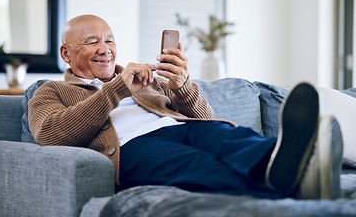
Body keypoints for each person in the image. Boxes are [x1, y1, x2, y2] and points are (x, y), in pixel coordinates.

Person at [28, 14, 343, 199]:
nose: (105, 49)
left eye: (109, 40)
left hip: (181, 127)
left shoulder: (147, 79)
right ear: (66, 54)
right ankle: (295, 191)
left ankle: (288, 161)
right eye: (92, 41)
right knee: (200, 167)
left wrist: (181, 85)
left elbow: (205, 118)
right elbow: (53, 134)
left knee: (227, 137)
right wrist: (117, 88)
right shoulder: (50, 91)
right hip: (133, 148)